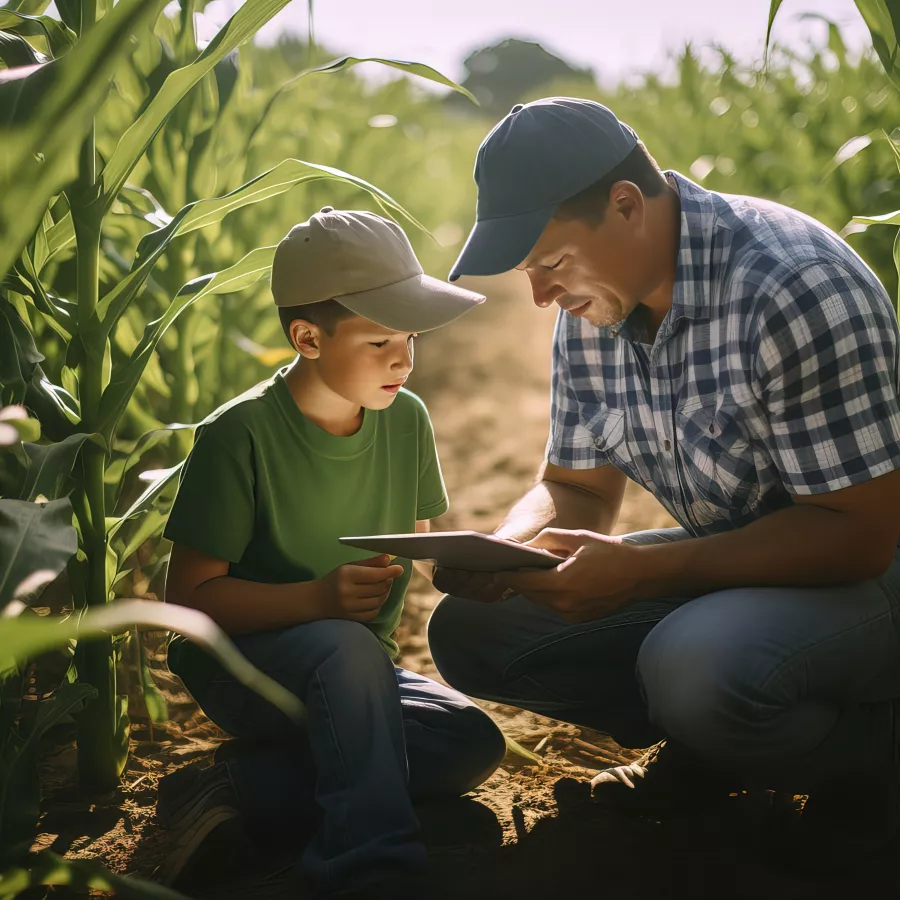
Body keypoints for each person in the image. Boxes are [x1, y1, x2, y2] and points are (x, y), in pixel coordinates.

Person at [427, 97, 900, 857]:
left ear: (626, 206)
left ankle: (870, 754)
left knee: (695, 667)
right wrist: (505, 548)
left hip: (872, 568)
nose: (541, 296)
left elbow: (862, 534)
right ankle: (715, 750)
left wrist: (645, 572)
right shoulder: (594, 310)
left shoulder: (789, 285)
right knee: (476, 632)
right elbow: (577, 485)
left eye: (550, 264)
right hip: (749, 564)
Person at [156, 207, 506, 898]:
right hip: (248, 666)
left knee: (468, 743)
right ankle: (371, 864)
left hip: (356, 674)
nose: (404, 359)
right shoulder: (240, 435)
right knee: (343, 648)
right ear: (308, 337)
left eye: (410, 338)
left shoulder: (405, 419)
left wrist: (472, 566)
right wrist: (314, 601)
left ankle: (238, 788)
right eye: (379, 342)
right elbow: (188, 604)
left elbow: (413, 543)